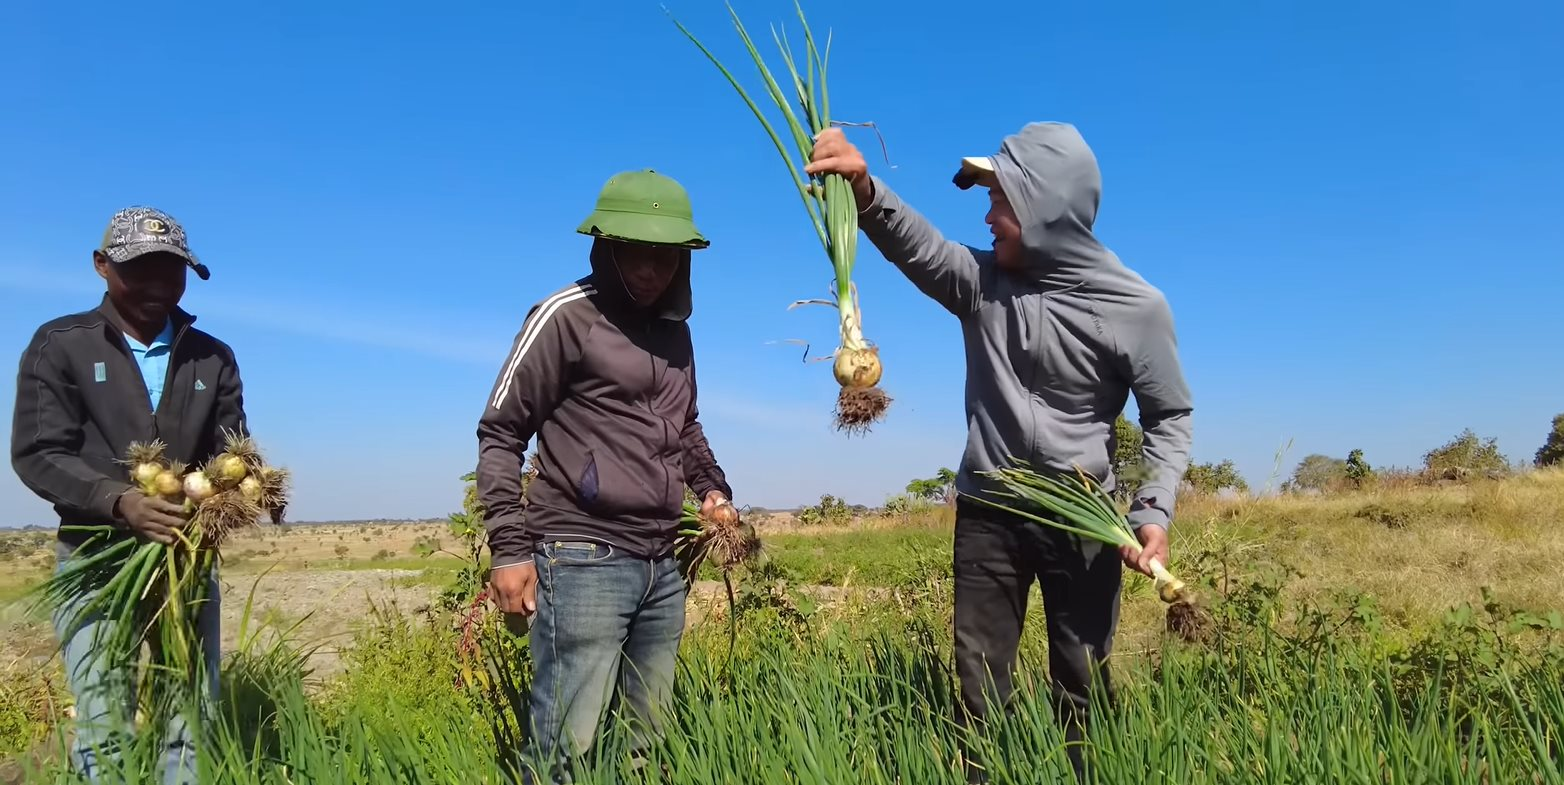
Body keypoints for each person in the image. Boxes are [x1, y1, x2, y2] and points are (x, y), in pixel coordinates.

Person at [807, 122, 1194, 780]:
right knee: (980, 681)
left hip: (1083, 519)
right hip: (989, 514)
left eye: (1001, 201)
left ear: (1046, 206)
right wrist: (863, 188)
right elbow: (918, 245)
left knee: (1083, 675)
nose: (987, 217)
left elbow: (1170, 413)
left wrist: (1152, 509)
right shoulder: (981, 283)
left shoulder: (1136, 307)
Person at [477, 169, 735, 782]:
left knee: (642, 740)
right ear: (606, 247)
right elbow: (500, 432)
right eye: (636, 254)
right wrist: (509, 549)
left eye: (665, 256)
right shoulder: (565, 317)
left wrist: (713, 490)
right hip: (582, 556)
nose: (651, 270)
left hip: (661, 563)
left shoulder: (677, 335)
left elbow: (686, 427)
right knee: (567, 743)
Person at [10, 206, 244, 784]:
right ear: (102, 267)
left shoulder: (211, 357)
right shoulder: (60, 344)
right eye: (142, 270)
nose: (159, 287)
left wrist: (223, 491)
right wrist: (120, 501)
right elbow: (38, 453)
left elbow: (230, 451)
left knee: (187, 708)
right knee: (103, 710)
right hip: (94, 560)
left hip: (184, 559)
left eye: (173, 272)